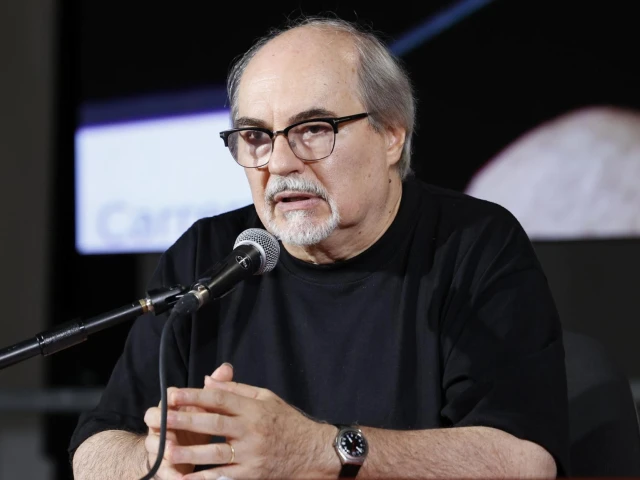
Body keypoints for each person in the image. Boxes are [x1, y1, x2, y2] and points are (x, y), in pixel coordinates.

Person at [69, 13, 569, 479]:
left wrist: (317, 450)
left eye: (312, 129)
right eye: (256, 136)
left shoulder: (475, 244)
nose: (279, 162)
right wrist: (158, 463)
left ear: (391, 135)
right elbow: (94, 451)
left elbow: (525, 460)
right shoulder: (208, 254)